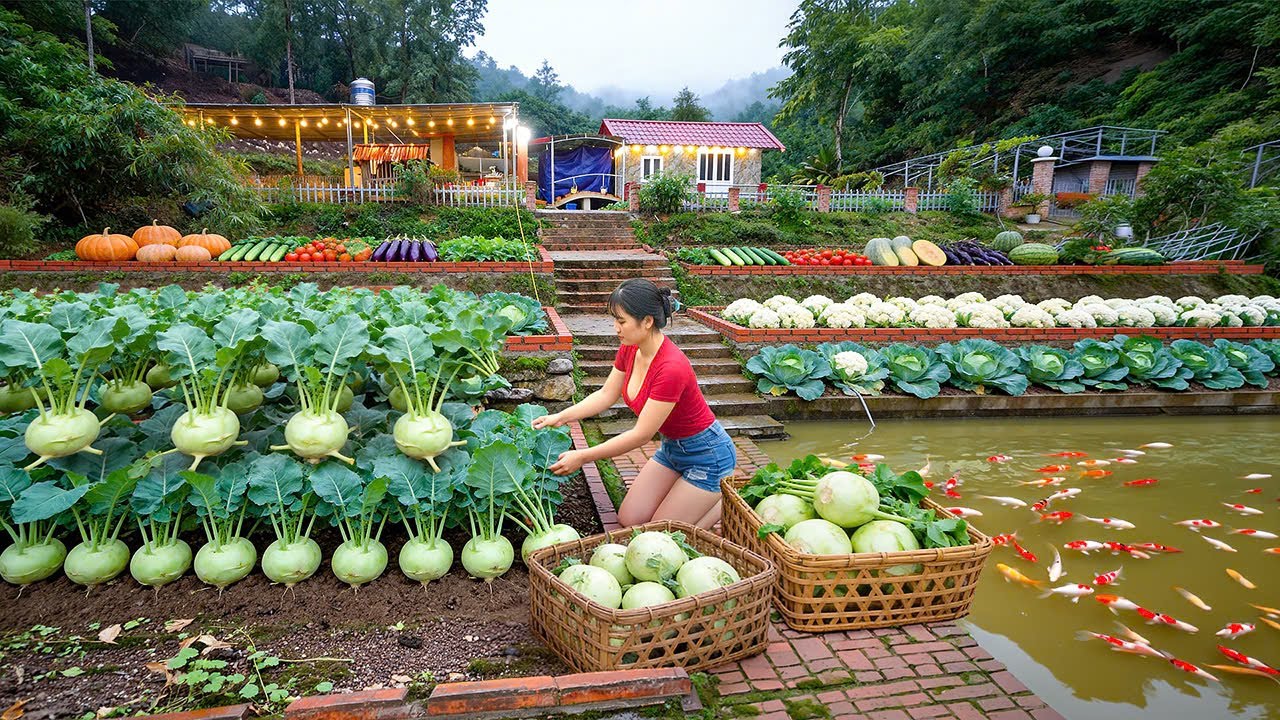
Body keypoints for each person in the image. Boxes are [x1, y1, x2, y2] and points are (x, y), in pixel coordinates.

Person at [531, 279, 736, 529]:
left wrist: (583, 456)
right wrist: (560, 417)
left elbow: (641, 436)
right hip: (672, 450)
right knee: (629, 519)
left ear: (647, 321)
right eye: (615, 320)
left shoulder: (671, 368)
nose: (616, 328)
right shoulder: (630, 348)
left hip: (708, 456)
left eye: (621, 320)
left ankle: (722, 500)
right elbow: (606, 395)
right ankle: (699, 501)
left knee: (661, 535)